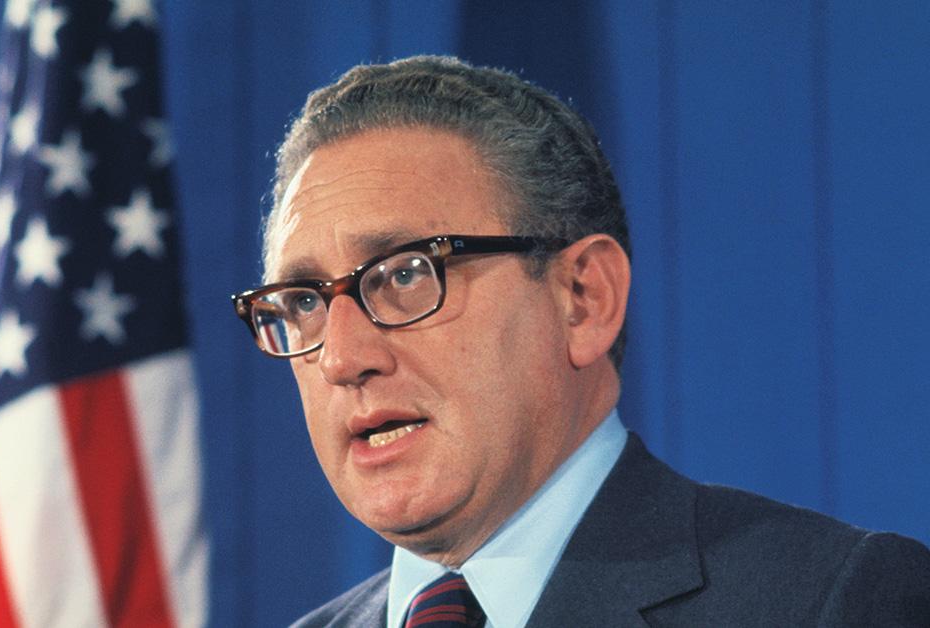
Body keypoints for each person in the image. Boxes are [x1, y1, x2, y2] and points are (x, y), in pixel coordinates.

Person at [230, 55, 930, 627]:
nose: (343, 358)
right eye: (302, 302)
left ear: (584, 299)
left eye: (406, 274)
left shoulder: (828, 602)